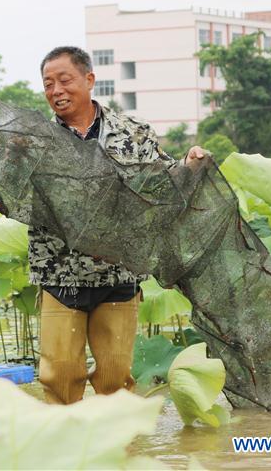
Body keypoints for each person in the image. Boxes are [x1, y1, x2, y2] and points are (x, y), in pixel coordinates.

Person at [31, 46, 207, 404]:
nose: (56, 91)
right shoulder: (34, 140)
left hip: (118, 274)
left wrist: (190, 165)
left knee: (115, 381)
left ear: (89, 80)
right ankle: (65, 439)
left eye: (64, 80)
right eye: (48, 84)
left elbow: (164, 182)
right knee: (59, 378)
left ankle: (119, 440)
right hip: (59, 273)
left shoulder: (133, 133)